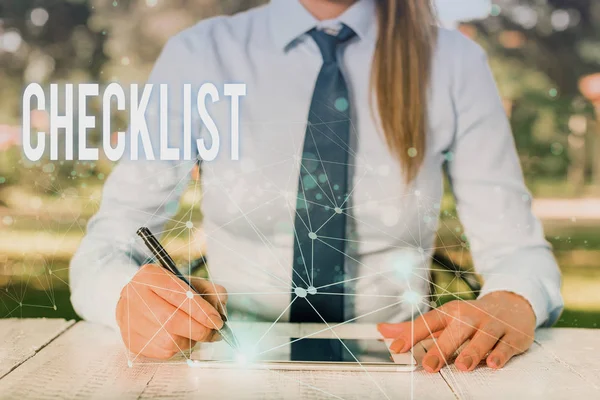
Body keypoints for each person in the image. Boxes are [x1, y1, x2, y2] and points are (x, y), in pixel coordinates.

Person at [70, 0, 563, 373]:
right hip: (232, 371)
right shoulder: (200, 56)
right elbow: (107, 248)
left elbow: (519, 253)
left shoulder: (454, 63)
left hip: (402, 374)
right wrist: (122, 295)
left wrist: (513, 300)